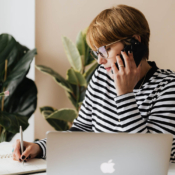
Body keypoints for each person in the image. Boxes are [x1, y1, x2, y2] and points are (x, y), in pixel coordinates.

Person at [12, 4, 175, 163]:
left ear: (134, 43)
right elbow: (81, 131)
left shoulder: (168, 87)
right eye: (97, 52)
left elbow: (151, 158)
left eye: (106, 50)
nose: (100, 60)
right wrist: (39, 148)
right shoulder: (101, 77)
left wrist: (125, 94)